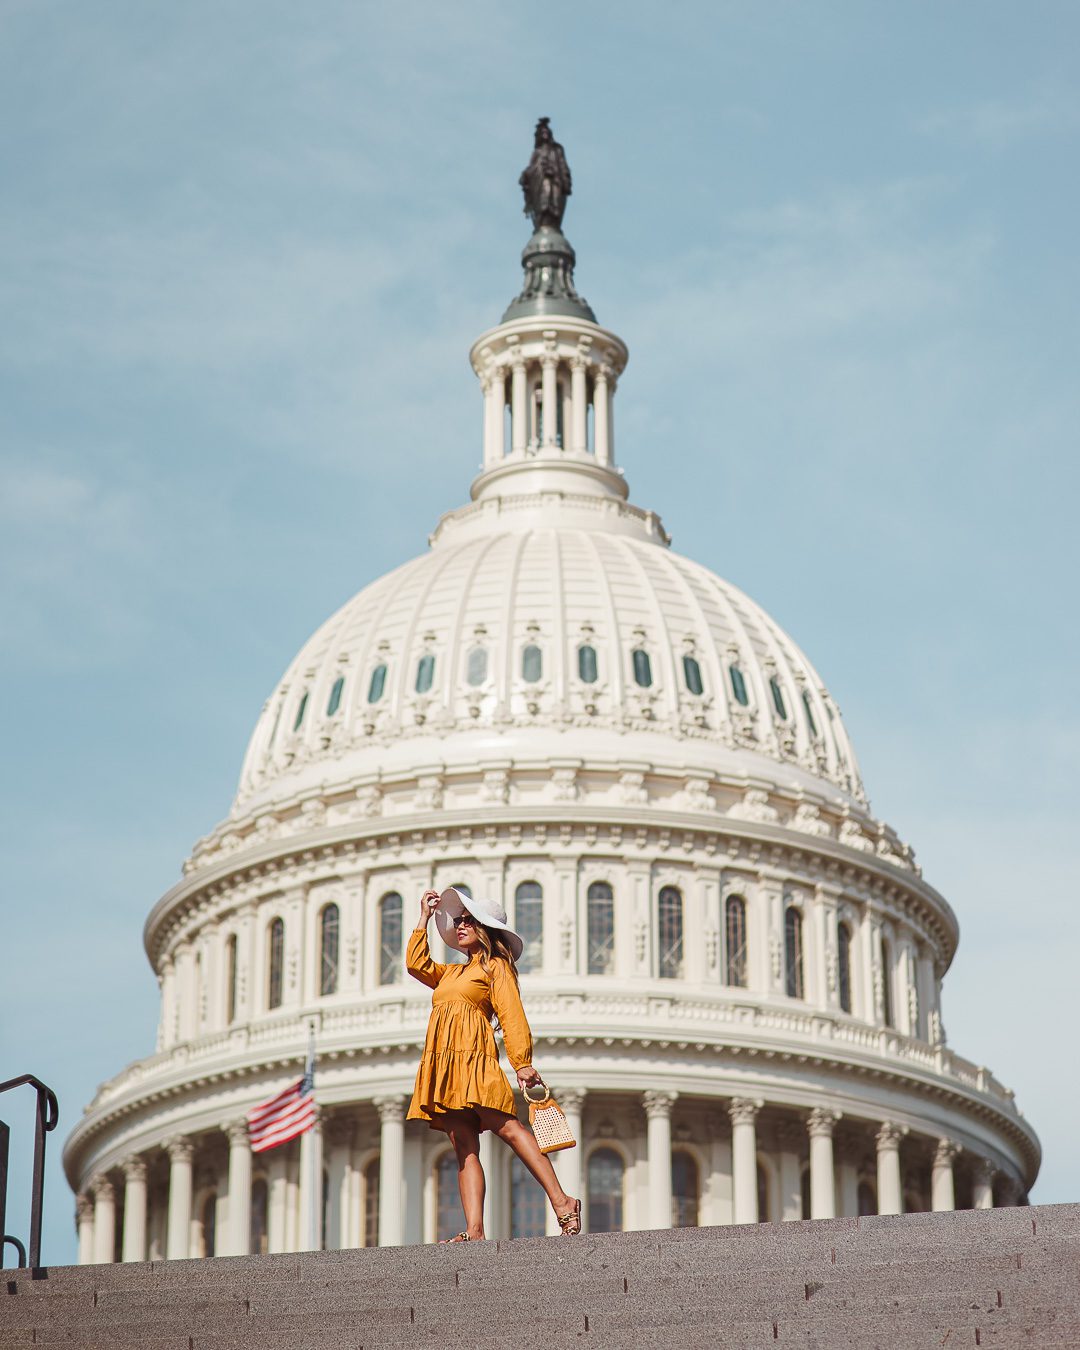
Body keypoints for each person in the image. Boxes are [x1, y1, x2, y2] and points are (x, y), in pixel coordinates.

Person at [406, 886, 581, 1241]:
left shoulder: (495, 966)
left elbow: (511, 1014)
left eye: (470, 920)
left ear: (485, 928)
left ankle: (563, 1201)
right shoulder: (450, 973)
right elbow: (415, 964)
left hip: (474, 1057)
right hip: (445, 1066)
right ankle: (475, 1229)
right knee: (464, 1146)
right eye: (459, 920)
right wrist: (424, 918)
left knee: (510, 1128)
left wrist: (522, 1062)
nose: (461, 925)